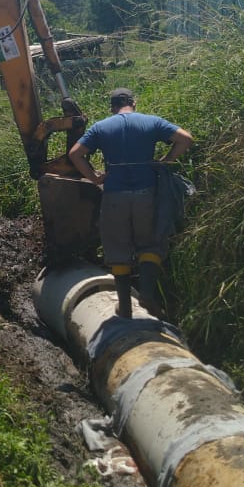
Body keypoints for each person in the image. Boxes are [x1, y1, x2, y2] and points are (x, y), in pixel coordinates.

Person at [68, 87, 193, 319]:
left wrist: (95, 178)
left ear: (112, 107)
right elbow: (185, 139)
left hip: (114, 196)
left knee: (117, 248)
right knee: (150, 244)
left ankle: (124, 306)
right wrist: (166, 161)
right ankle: (146, 292)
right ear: (133, 103)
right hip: (146, 194)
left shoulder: (101, 127)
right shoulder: (151, 122)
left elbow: (75, 154)